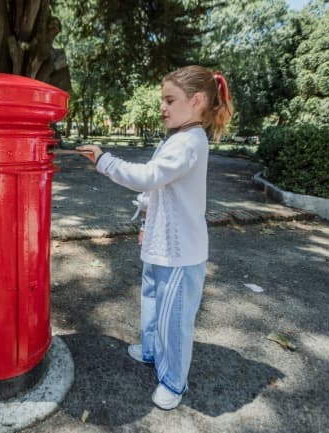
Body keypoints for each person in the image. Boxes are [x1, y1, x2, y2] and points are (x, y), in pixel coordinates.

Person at [76, 65, 233, 410]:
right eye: (162, 99)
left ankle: (174, 382)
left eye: (169, 99)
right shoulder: (176, 139)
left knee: (174, 319)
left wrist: (104, 160)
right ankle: (150, 351)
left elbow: (148, 176)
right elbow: (158, 190)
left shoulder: (190, 142)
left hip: (180, 252)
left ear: (195, 101)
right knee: (151, 301)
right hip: (160, 244)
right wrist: (145, 220)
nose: (162, 107)